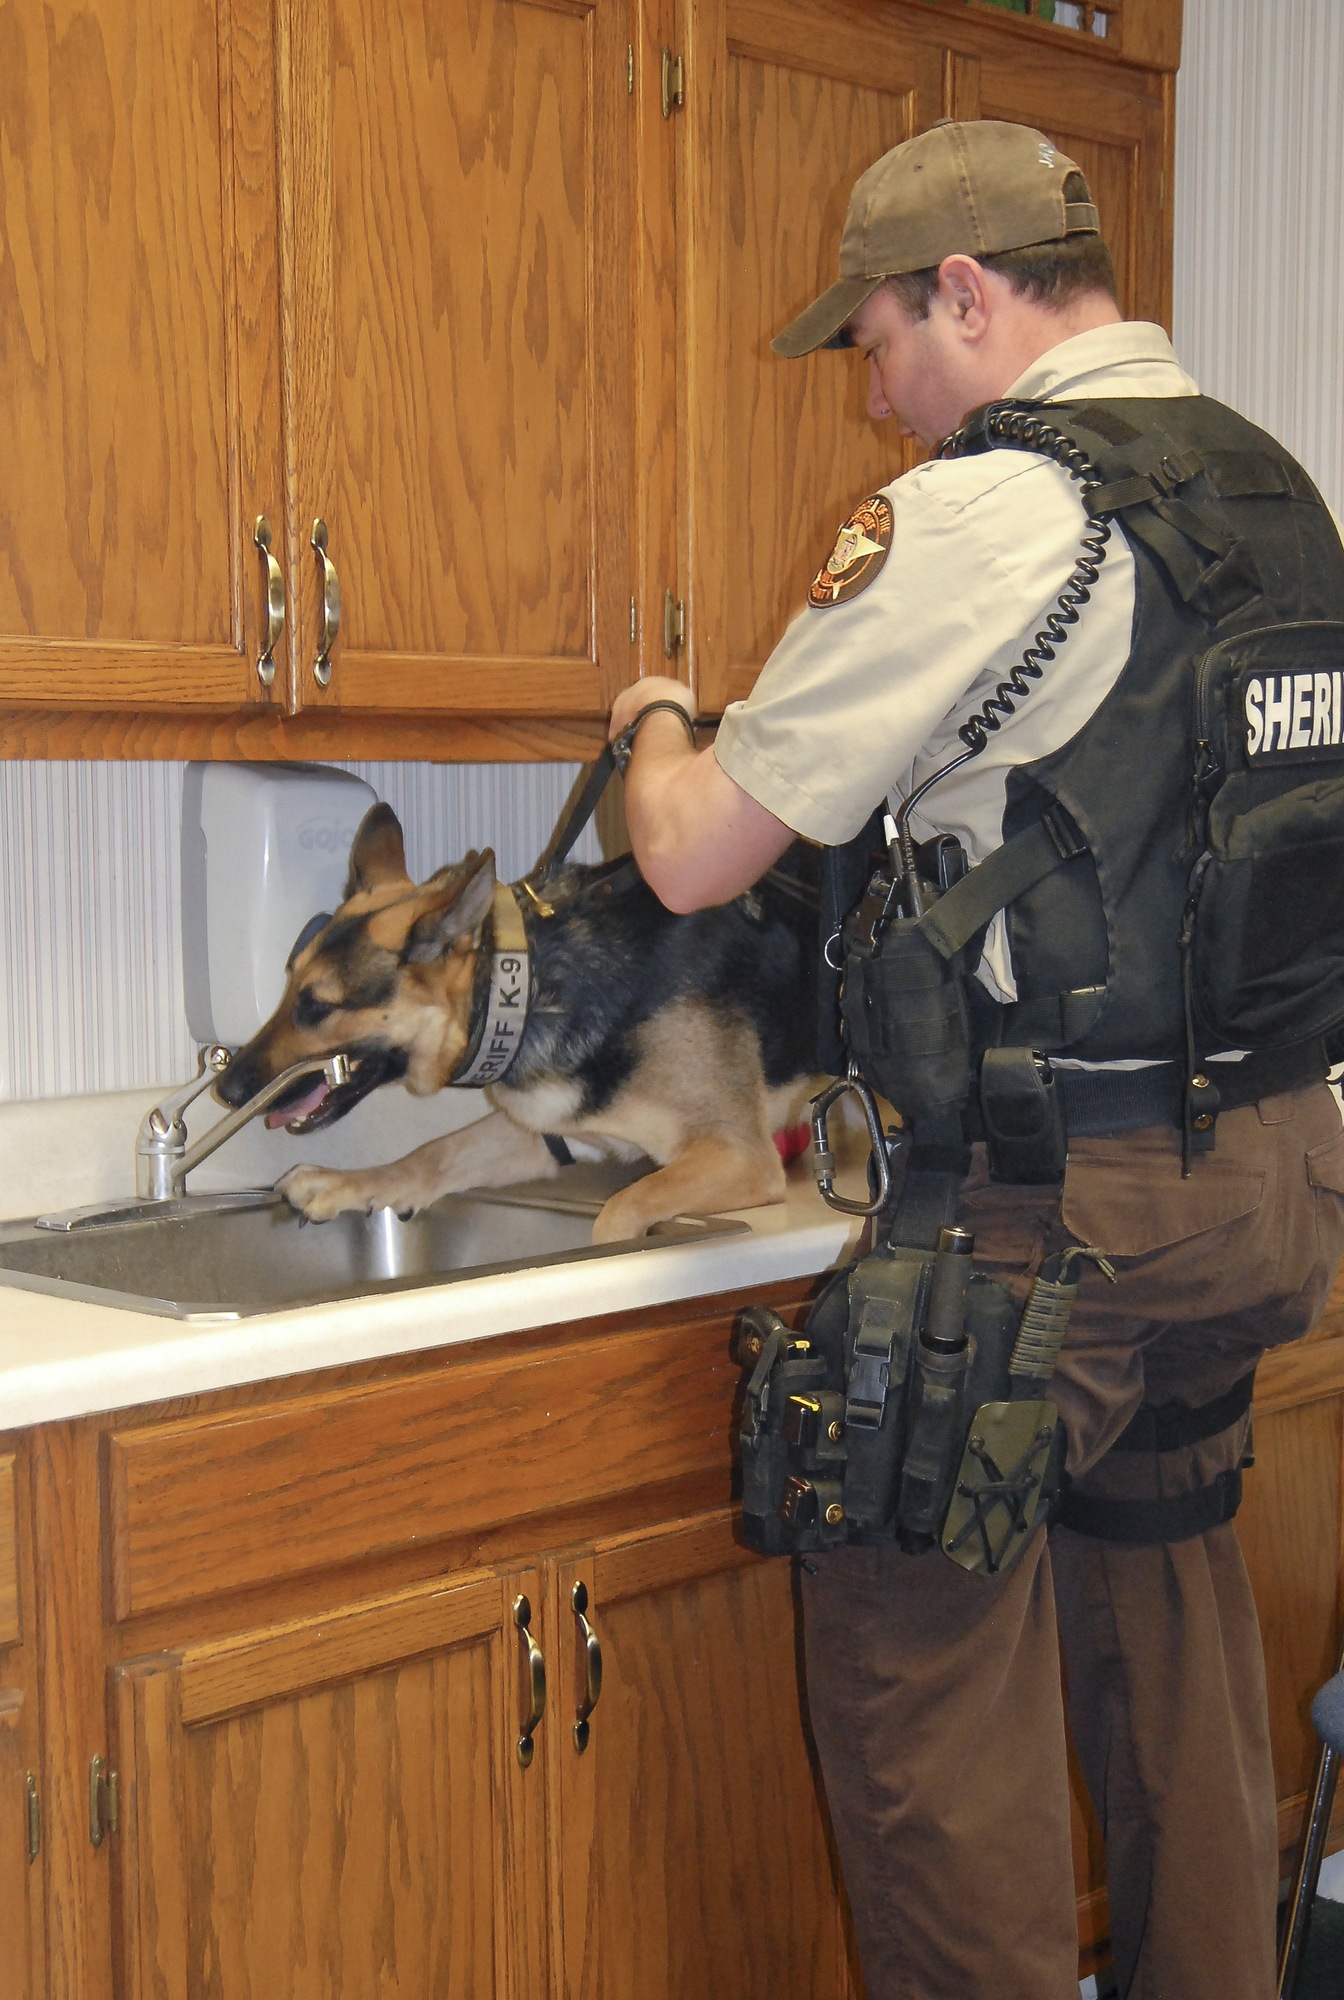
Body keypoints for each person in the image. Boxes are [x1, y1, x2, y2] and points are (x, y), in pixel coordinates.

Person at [607, 121, 1344, 2000]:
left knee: (927, 1699)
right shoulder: (1274, 493)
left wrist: (659, 718)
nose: (874, 399)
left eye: (875, 342)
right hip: (1264, 1177)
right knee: (1176, 1642)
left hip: (1053, 1212)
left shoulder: (993, 510)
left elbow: (695, 846)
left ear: (966, 291)